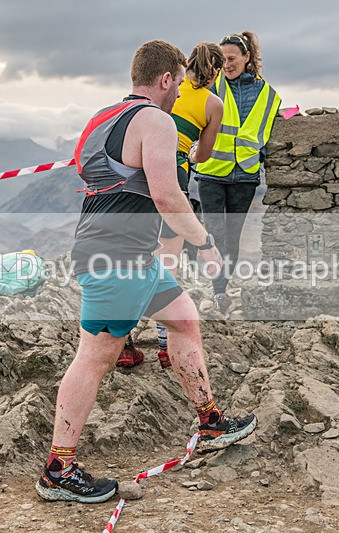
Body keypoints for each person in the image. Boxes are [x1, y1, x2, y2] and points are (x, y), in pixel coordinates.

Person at [35, 40, 257, 504]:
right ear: (165, 80)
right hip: (118, 256)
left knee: (183, 318)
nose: (181, 92)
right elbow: (167, 195)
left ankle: (210, 420)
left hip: (123, 251)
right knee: (95, 356)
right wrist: (205, 242)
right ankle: (59, 468)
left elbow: (94, 175)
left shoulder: (102, 119)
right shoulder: (155, 119)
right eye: (179, 82)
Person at [116, 42, 225, 370]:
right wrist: (190, 154)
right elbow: (203, 155)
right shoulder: (213, 103)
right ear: (216, 72)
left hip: (138, 171)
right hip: (173, 171)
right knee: (167, 262)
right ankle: (166, 344)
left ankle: (123, 342)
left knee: (132, 260)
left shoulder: (169, 88)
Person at [194, 31, 282, 317]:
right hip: (211, 172)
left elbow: (266, 135)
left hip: (245, 175)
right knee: (215, 234)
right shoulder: (211, 86)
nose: (227, 64)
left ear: (247, 58)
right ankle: (218, 289)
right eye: (223, 59)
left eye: (232, 58)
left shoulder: (268, 94)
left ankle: (223, 286)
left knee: (233, 237)